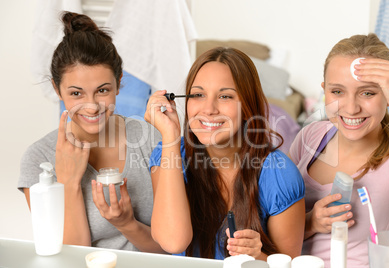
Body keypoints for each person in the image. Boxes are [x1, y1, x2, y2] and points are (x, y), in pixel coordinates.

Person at [18, 11, 163, 253]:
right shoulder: (39, 160)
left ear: (118, 82)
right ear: (57, 89)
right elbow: (68, 258)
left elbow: (173, 250)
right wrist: (68, 182)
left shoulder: (151, 140)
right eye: (76, 93)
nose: (92, 106)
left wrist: (127, 224)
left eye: (102, 90)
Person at [144, 47, 305, 260]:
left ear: (247, 106)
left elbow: (289, 265)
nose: (209, 109)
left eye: (225, 96)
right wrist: (170, 137)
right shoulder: (169, 153)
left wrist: (259, 257)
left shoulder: (278, 175)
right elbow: (173, 241)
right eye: (198, 95)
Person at [289, 33, 389, 267]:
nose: (351, 108)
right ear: (324, 91)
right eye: (337, 92)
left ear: (388, 96)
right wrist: (310, 223)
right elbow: (274, 215)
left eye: (368, 92)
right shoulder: (311, 137)